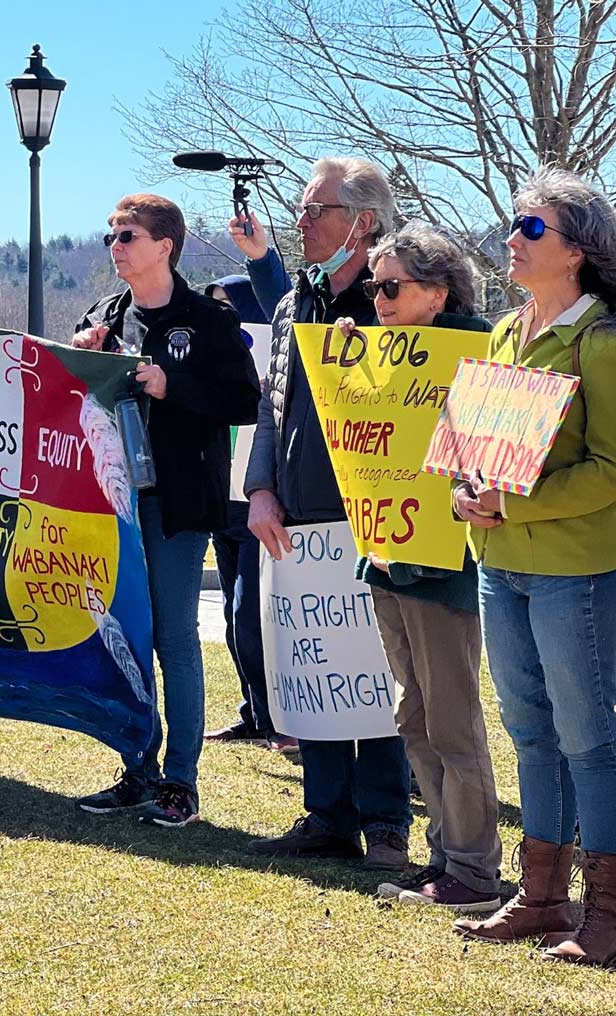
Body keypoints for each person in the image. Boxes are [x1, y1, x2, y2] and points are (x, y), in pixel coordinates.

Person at [451, 168, 616, 968]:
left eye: (531, 229)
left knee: (590, 740)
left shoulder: (604, 341)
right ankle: (543, 899)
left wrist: (512, 506)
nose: (510, 240)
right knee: (530, 734)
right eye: (513, 225)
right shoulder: (503, 333)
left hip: (575, 573)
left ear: (578, 251)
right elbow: (471, 449)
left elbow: (614, 470)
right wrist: (463, 492)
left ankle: (607, 915)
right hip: (499, 565)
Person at [321, 224, 502, 913]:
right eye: (373, 285)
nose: (379, 298)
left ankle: (475, 871)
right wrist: (344, 369)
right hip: (389, 560)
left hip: (443, 565)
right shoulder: (381, 355)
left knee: (452, 722)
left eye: (391, 286)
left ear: (438, 290)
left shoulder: (479, 353)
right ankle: (447, 855)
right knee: (414, 716)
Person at [244, 158, 414, 870]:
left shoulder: (398, 302)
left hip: (375, 517)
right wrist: (260, 487)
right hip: (298, 518)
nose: (302, 222)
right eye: (304, 209)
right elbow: (270, 404)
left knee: (372, 671)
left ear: (364, 222)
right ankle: (327, 816)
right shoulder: (292, 305)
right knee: (314, 665)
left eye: (317, 210)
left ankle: (385, 821)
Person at [70, 193, 261, 827]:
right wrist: (82, 359)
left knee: (173, 637)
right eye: (112, 237)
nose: (116, 247)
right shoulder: (105, 314)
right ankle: (138, 768)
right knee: (126, 634)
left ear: (164, 246)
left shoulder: (208, 318)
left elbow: (243, 400)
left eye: (127, 236)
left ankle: (180, 780)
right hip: (111, 500)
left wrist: (171, 386)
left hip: (178, 500)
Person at [202, 266, 297, 755]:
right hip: (224, 501)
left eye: (230, 307)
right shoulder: (215, 356)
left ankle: (282, 719)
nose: (223, 316)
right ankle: (254, 715)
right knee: (235, 618)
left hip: (261, 502)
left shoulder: (280, 360)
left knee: (251, 617)